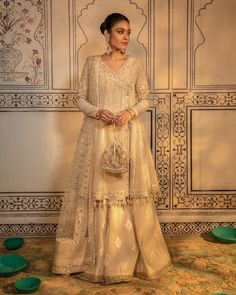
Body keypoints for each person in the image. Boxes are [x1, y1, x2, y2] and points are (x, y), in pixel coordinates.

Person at [52, 12, 173, 284]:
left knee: (127, 194)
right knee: (98, 193)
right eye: (120, 31)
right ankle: (94, 260)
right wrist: (98, 111)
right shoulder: (92, 64)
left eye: (128, 31)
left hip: (128, 136)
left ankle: (129, 260)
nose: (126, 37)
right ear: (106, 34)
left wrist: (130, 112)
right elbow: (80, 99)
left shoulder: (136, 65)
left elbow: (145, 98)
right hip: (98, 136)